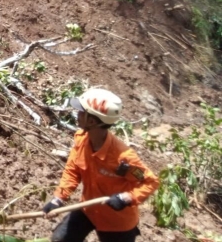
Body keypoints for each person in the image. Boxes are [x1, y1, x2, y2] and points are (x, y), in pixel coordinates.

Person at [42, 88, 160, 242]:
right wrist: (58, 198)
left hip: (117, 222)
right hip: (88, 210)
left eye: (81, 112)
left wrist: (127, 197)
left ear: (91, 121)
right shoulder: (81, 140)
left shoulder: (123, 157)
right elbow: (72, 171)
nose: (77, 114)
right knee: (60, 239)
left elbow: (151, 182)